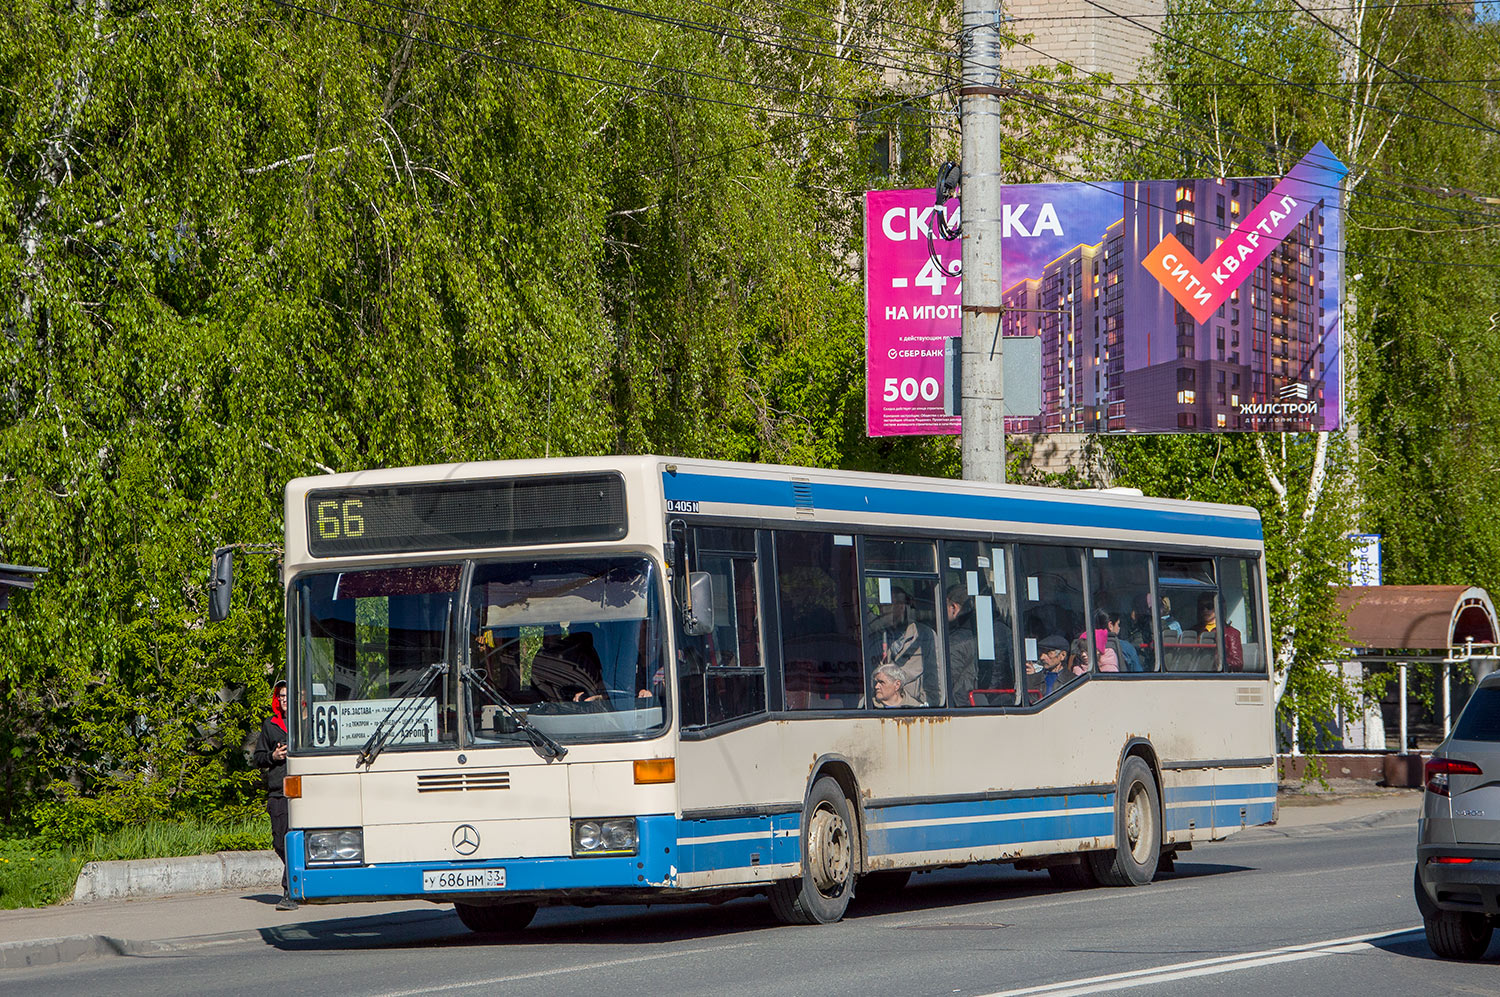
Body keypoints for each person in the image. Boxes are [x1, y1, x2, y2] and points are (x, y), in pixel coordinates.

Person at [252, 678, 297, 911]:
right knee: (280, 842)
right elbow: (258, 757)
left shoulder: (306, 723)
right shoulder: (270, 725)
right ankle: (294, 885)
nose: (284, 700)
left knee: (295, 841)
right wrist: (273, 756)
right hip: (278, 791)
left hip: (303, 791)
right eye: (281, 696)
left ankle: (289, 891)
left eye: (288, 695)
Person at [867, 588, 938, 706]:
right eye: (883, 606)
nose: (884, 610)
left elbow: (934, 677)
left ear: (904, 607)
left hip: (914, 705)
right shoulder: (875, 637)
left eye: (892, 605)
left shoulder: (924, 635)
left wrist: (926, 705)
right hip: (880, 705)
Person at [944, 585, 980, 707]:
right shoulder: (999, 630)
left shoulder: (956, 642)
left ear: (953, 607)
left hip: (961, 704)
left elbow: (946, 681)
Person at [1198, 594, 1243, 671]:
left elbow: (1237, 662)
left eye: (1209, 606)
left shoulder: (1231, 633)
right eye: (1202, 608)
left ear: (1218, 607)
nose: (1205, 610)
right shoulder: (1195, 631)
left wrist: (1218, 661)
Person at [1025, 635, 1072, 701]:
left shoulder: (1073, 681)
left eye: (1048, 653)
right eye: (1041, 653)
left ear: (1062, 655)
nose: (1042, 657)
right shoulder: (1033, 679)